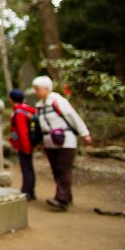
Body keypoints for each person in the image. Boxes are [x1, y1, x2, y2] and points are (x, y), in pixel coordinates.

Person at [32, 75, 92, 211]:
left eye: (37, 89)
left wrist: (84, 133)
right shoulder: (40, 106)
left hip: (66, 140)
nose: (35, 92)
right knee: (56, 170)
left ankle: (61, 199)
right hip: (49, 142)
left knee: (63, 169)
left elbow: (73, 117)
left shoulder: (58, 101)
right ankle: (67, 196)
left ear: (46, 89)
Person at [8, 89, 37, 200]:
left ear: (11, 99)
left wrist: (25, 147)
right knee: (29, 167)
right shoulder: (23, 110)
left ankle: (26, 191)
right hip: (26, 144)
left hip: (24, 145)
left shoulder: (19, 113)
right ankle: (30, 191)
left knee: (26, 168)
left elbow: (22, 131)